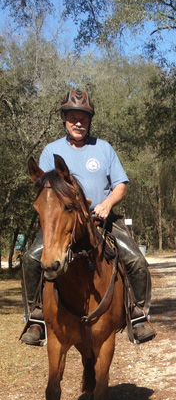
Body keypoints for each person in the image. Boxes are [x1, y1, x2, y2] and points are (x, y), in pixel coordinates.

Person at [20, 90, 155, 345]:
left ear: (90, 120)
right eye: (73, 117)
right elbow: (46, 190)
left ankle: (138, 314)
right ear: (64, 119)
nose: (78, 122)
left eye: (83, 118)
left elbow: (121, 185)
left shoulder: (103, 149)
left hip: (103, 219)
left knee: (136, 260)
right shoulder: (51, 151)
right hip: (62, 222)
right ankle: (35, 315)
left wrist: (106, 204)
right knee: (31, 258)